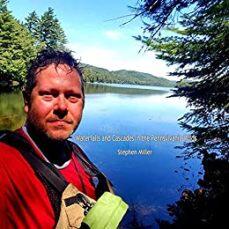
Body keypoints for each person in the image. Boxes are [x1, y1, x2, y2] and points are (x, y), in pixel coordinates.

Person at [0, 49, 114, 228]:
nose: (62, 106)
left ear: (83, 104)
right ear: (27, 102)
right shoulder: (5, 162)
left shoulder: (77, 155)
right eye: (49, 94)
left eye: (72, 96)